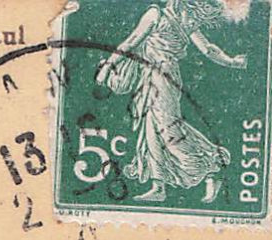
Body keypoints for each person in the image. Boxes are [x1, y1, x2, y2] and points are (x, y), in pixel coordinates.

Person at [95, 0, 248, 203]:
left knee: (168, 130)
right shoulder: (169, 18)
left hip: (163, 78)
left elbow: (131, 43)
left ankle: (213, 165)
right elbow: (132, 42)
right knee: (152, 129)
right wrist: (231, 61)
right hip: (154, 76)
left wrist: (107, 66)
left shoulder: (171, 19)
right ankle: (159, 187)